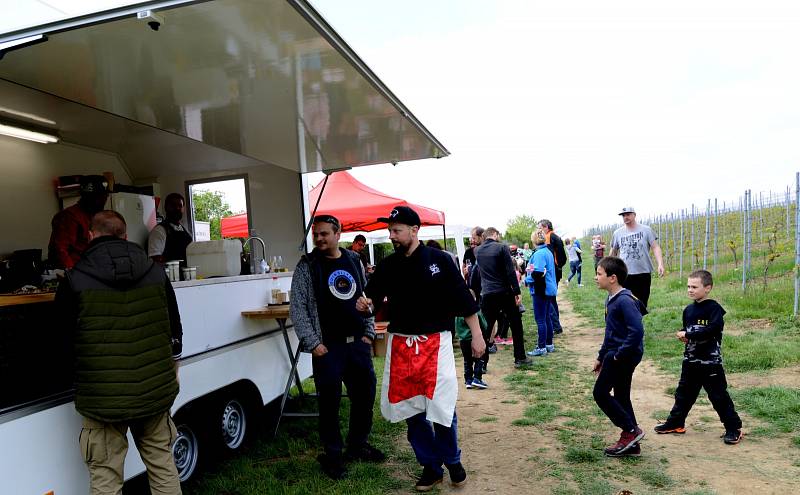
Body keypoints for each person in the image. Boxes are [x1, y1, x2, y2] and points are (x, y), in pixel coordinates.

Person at [356, 206, 485, 492]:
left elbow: (462, 298)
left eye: (397, 230)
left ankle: (452, 461)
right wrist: (366, 305)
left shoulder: (439, 260)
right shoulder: (388, 265)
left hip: (435, 343)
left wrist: (477, 335)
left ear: (414, 230)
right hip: (402, 344)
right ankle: (429, 466)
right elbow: (372, 298)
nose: (392, 235)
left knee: (442, 406)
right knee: (411, 410)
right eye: (390, 230)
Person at [55, 210, 183, 494]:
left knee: (106, 478)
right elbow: (174, 327)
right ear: (125, 236)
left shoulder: (73, 280)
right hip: (154, 390)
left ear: (90, 235)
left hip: (102, 399)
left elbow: (62, 342)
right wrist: (173, 367)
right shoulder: (155, 272)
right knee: (162, 466)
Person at [290, 214, 384, 479]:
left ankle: (357, 445)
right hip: (327, 348)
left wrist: (368, 331)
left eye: (324, 234)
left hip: (358, 344)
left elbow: (367, 297)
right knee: (329, 404)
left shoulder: (354, 259)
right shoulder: (307, 265)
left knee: (364, 396)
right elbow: (297, 308)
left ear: (337, 234)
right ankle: (333, 456)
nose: (319, 239)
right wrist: (313, 343)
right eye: (316, 234)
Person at [654, 270, 743, 444]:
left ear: (708, 288)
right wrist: (684, 337)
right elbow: (689, 331)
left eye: (694, 287)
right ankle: (676, 423)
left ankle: (733, 428)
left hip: (710, 364)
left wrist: (689, 334)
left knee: (718, 396)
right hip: (690, 361)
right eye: (688, 286)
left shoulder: (714, 309)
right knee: (683, 394)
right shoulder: (688, 310)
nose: (690, 290)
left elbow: (712, 331)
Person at [592, 256, 647, 458]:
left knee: (600, 393)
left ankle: (631, 431)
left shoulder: (624, 300)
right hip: (615, 353)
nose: (596, 277)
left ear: (612, 278)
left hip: (623, 355)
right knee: (621, 396)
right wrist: (601, 356)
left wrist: (618, 355)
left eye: (599, 274)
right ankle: (632, 444)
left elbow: (637, 331)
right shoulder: (612, 298)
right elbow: (611, 332)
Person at [475, 227, 531, 367]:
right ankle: (520, 357)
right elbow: (510, 271)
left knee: (486, 328)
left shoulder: (478, 251)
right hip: (504, 291)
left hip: (487, 293)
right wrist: (517, 292)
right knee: (516, 324)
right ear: (495, 234)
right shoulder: (501, 248)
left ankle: (482, 363)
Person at [48, 175, 109, 269]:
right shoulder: (69, 216)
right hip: (78, 272)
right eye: (98, 197)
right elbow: (60, 250)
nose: (103, 200)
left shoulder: (97, 217)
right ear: (86, 197)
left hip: (93, 270)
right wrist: (74, 275)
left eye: (105, 196)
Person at [610, 206, 665, 308]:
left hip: (643, 272)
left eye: (628, 214)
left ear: (634, 215)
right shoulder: (617, 233)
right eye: (623, 215)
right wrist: (608, 269)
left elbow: (655, 247)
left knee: (642, 303)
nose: (625, 217)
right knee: (625, 302)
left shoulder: (646, 230)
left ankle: (636, 322)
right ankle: (628, 322)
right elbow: (613, 251)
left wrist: (660, 264)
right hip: (624, 273)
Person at [525, 229, 557, 356]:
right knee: (546, 317)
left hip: (541, 290)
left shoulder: (539, 254)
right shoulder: (547, 251)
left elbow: (537, 273)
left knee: (540, 319)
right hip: (548, 289)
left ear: (533, 240)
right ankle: (549, 344)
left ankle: (541, 347)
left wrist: (526, 279)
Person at [455, 290, 489, 389]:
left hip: (463, 340)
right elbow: (484, 325)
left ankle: (468, 380)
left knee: (467, 360)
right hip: (474, 339)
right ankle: (477, 378)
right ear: (473, 299)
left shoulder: (457, 313)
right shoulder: (475, 311)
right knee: (480, 358)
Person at [538, 219, 567, 333]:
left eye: (540, 227)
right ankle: (555, 325)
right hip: (555, 271)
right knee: (551, 298)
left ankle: (555, 326)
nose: (539, 230)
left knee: (549, 298)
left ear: (546, 227)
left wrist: (555, 268)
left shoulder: (549, 237)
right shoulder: (555, 236)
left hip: (552, 272)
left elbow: (551, 257)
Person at [148, 193, 192, 264]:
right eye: (173, 205)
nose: (177, 208)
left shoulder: (183, 228)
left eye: (180, 206)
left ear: (183, 209)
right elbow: (154, 259)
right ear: (166, 207)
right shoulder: (159, 230)